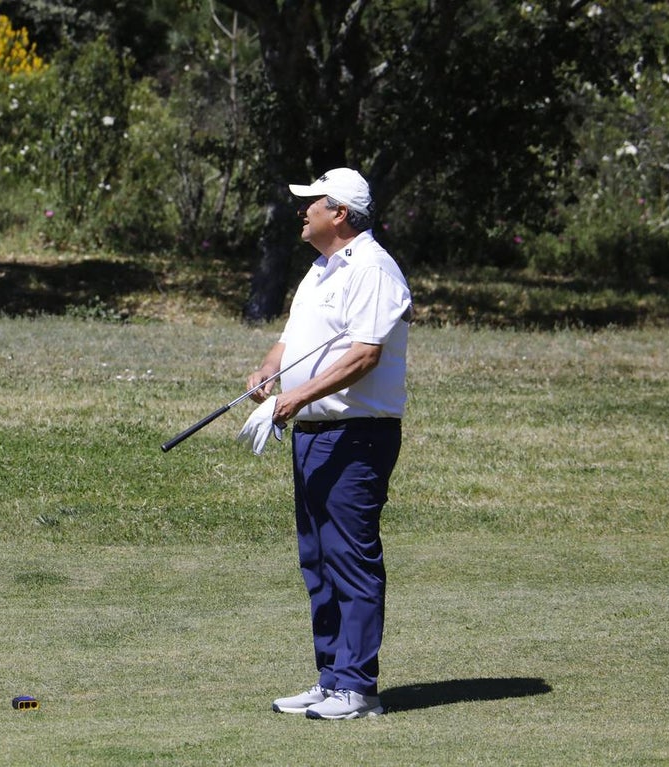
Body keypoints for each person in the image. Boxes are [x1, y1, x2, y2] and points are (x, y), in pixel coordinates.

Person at [240, 167, 412, 720]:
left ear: (339, 213)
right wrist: (269, 373)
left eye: (311, 202)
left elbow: (365, 356)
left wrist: (293, 399)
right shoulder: (318, 271)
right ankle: (331, 677)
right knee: (317, 558)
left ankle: (358, 689)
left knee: (350, 558)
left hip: (358, 434)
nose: (302, 210)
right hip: (313, 433)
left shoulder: (373, 268)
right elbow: (290, 342)